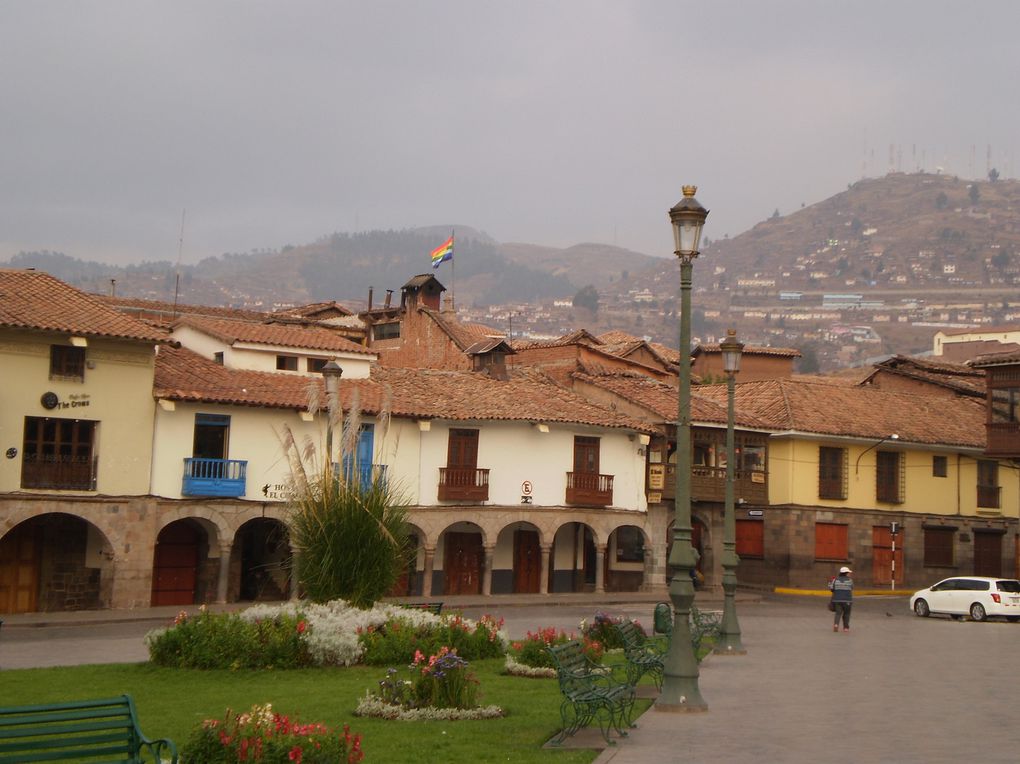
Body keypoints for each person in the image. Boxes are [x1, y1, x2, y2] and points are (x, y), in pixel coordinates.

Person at [829, 566, 853, 632]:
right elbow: (851, 588)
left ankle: (836, 625)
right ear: (846, 573)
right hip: (847, 600)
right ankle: (846, 628)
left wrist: (831, 582)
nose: (849, 574)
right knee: (847, 614)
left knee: (838, 613)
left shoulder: (835, 580)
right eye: (848, 573)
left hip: (837, 600)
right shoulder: (850, 580)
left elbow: (831, 588)